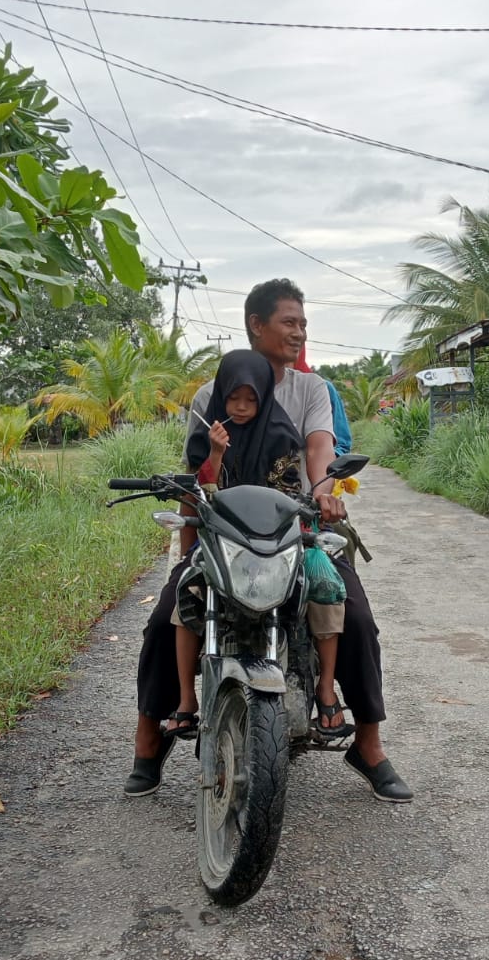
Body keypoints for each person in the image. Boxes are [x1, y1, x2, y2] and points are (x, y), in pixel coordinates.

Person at [127, 279, 412, 803]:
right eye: (289, 322)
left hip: (294, 530)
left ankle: (367, 743)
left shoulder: (312, 390)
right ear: (255, 326)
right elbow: (199, 472)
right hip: (223, 533)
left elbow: (319, 453)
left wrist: (325, 493)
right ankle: (151, 738)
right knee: (166, 612)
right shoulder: (209, 394)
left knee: (358, 617)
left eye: (303, 323)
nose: (299, 333)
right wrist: (190, 540)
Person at [168, 350, 349, 747]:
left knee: (328, 593)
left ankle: (327, 690)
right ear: (222, 397)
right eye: (234, 398)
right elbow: (200, 492)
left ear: (265, 397)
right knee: (184, 596)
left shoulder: (282, 436)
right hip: (223, 544)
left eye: (252, 399)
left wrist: (321, 501)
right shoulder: (207, 436)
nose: (243, 407)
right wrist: (216, 452)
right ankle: (184, 700)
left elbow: (289, 491)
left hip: (279, 542)